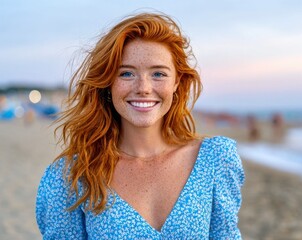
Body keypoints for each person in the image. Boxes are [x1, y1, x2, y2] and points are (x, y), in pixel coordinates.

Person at [36, 12, 245, 239]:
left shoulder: (215, 159)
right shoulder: (72, 176)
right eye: (126, 73)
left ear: (176, 82)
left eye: (158, 73)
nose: (143, 87)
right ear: (108, 83)